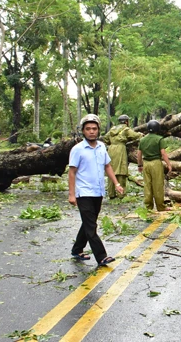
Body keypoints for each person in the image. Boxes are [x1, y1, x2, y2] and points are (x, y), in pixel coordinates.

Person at [68, 113, 124, 267]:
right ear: (83, 131)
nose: (91, 131)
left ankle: (77, 249)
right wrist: (72, 194)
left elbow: (107, 166)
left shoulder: (101, 147)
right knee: (91, 226)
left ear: (98, 130)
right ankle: (101, 256)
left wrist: (116, 183)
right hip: (83, 192)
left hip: (98, 192)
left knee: (88, 223)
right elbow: (72, 172)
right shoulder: (78, 149)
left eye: (94, 128)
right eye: (88, 129)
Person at [104, 114, 143, 199]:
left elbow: (105, 139)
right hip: (120, 149)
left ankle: (111, 194)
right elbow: (135, 136)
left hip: (111, 149)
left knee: (111, 170)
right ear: (126, 121)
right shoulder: (126, 129)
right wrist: (140, 134)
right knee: (121, 171)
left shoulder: (112, 129)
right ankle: (121, 194)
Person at [137, 120, 172, 212]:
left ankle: (148, 207)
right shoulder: (159, 139)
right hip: (156, 163)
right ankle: (160, 206)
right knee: (158, 185)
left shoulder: (142, 140)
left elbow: (139, 154)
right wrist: (169, 164)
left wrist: (139, 165)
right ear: (158, 129)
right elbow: (163, 153)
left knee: (147, 185)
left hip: (146, 164)